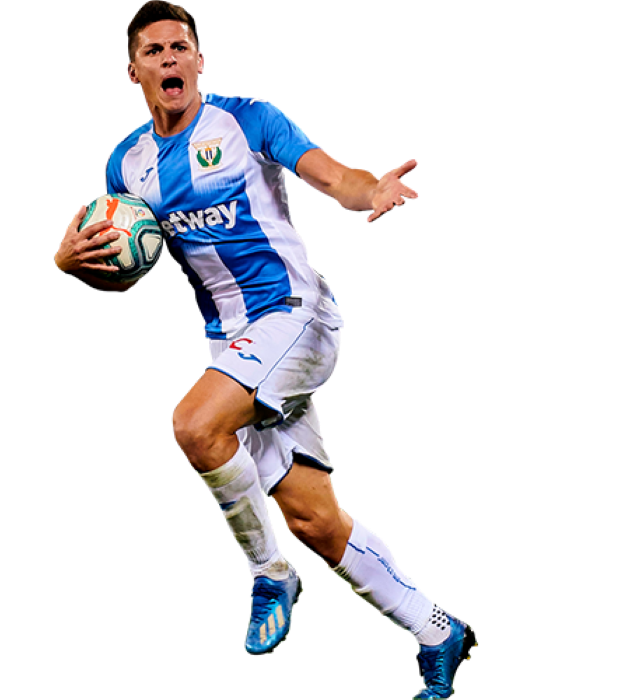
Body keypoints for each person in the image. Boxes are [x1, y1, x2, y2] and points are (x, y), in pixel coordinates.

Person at [54, 2, 477, 696]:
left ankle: (269, 574)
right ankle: (436, 629)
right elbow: (127, 267)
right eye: (154, 51)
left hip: (296, 316)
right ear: (133, 72)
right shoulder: (126, 165)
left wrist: (372, 188)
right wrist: (70, 265)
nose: (169, 59)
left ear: (199, 62)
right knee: (315, 521)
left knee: (194, 426)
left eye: (181, 47)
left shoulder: (248, 120)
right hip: (235, 346)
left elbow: (331, 175)